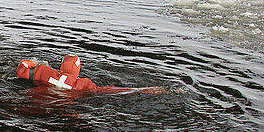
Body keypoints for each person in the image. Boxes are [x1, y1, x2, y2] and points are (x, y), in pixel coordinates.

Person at [15, 55, 166, 94]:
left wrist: (28, 63)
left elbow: (21, 72)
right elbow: (109, 90)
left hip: (36, 95)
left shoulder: (45, 72)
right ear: (77, 70)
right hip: (63, 104)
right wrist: (142, 89)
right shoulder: (83, 84)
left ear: (62, 67)